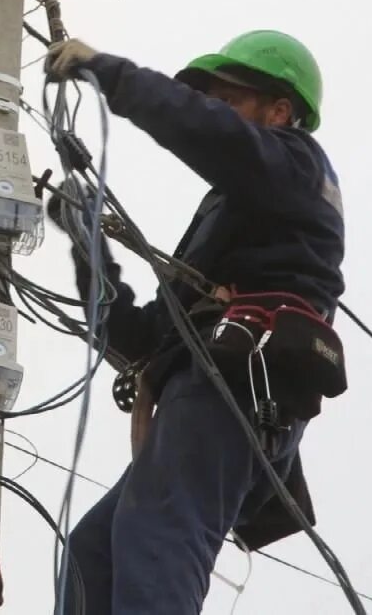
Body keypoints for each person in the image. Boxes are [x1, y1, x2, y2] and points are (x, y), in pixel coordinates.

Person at [45, 31, 346, 614]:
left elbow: (209, 132)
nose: (215, 111)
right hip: (212, 393)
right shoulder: (237, 218)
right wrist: (87, 246)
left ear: (280, 111)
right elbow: (138, 337)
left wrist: (110, 73)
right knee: (94, 555)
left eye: (229, 100)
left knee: (157, 536)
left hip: (236, 391)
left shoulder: (296, 166)